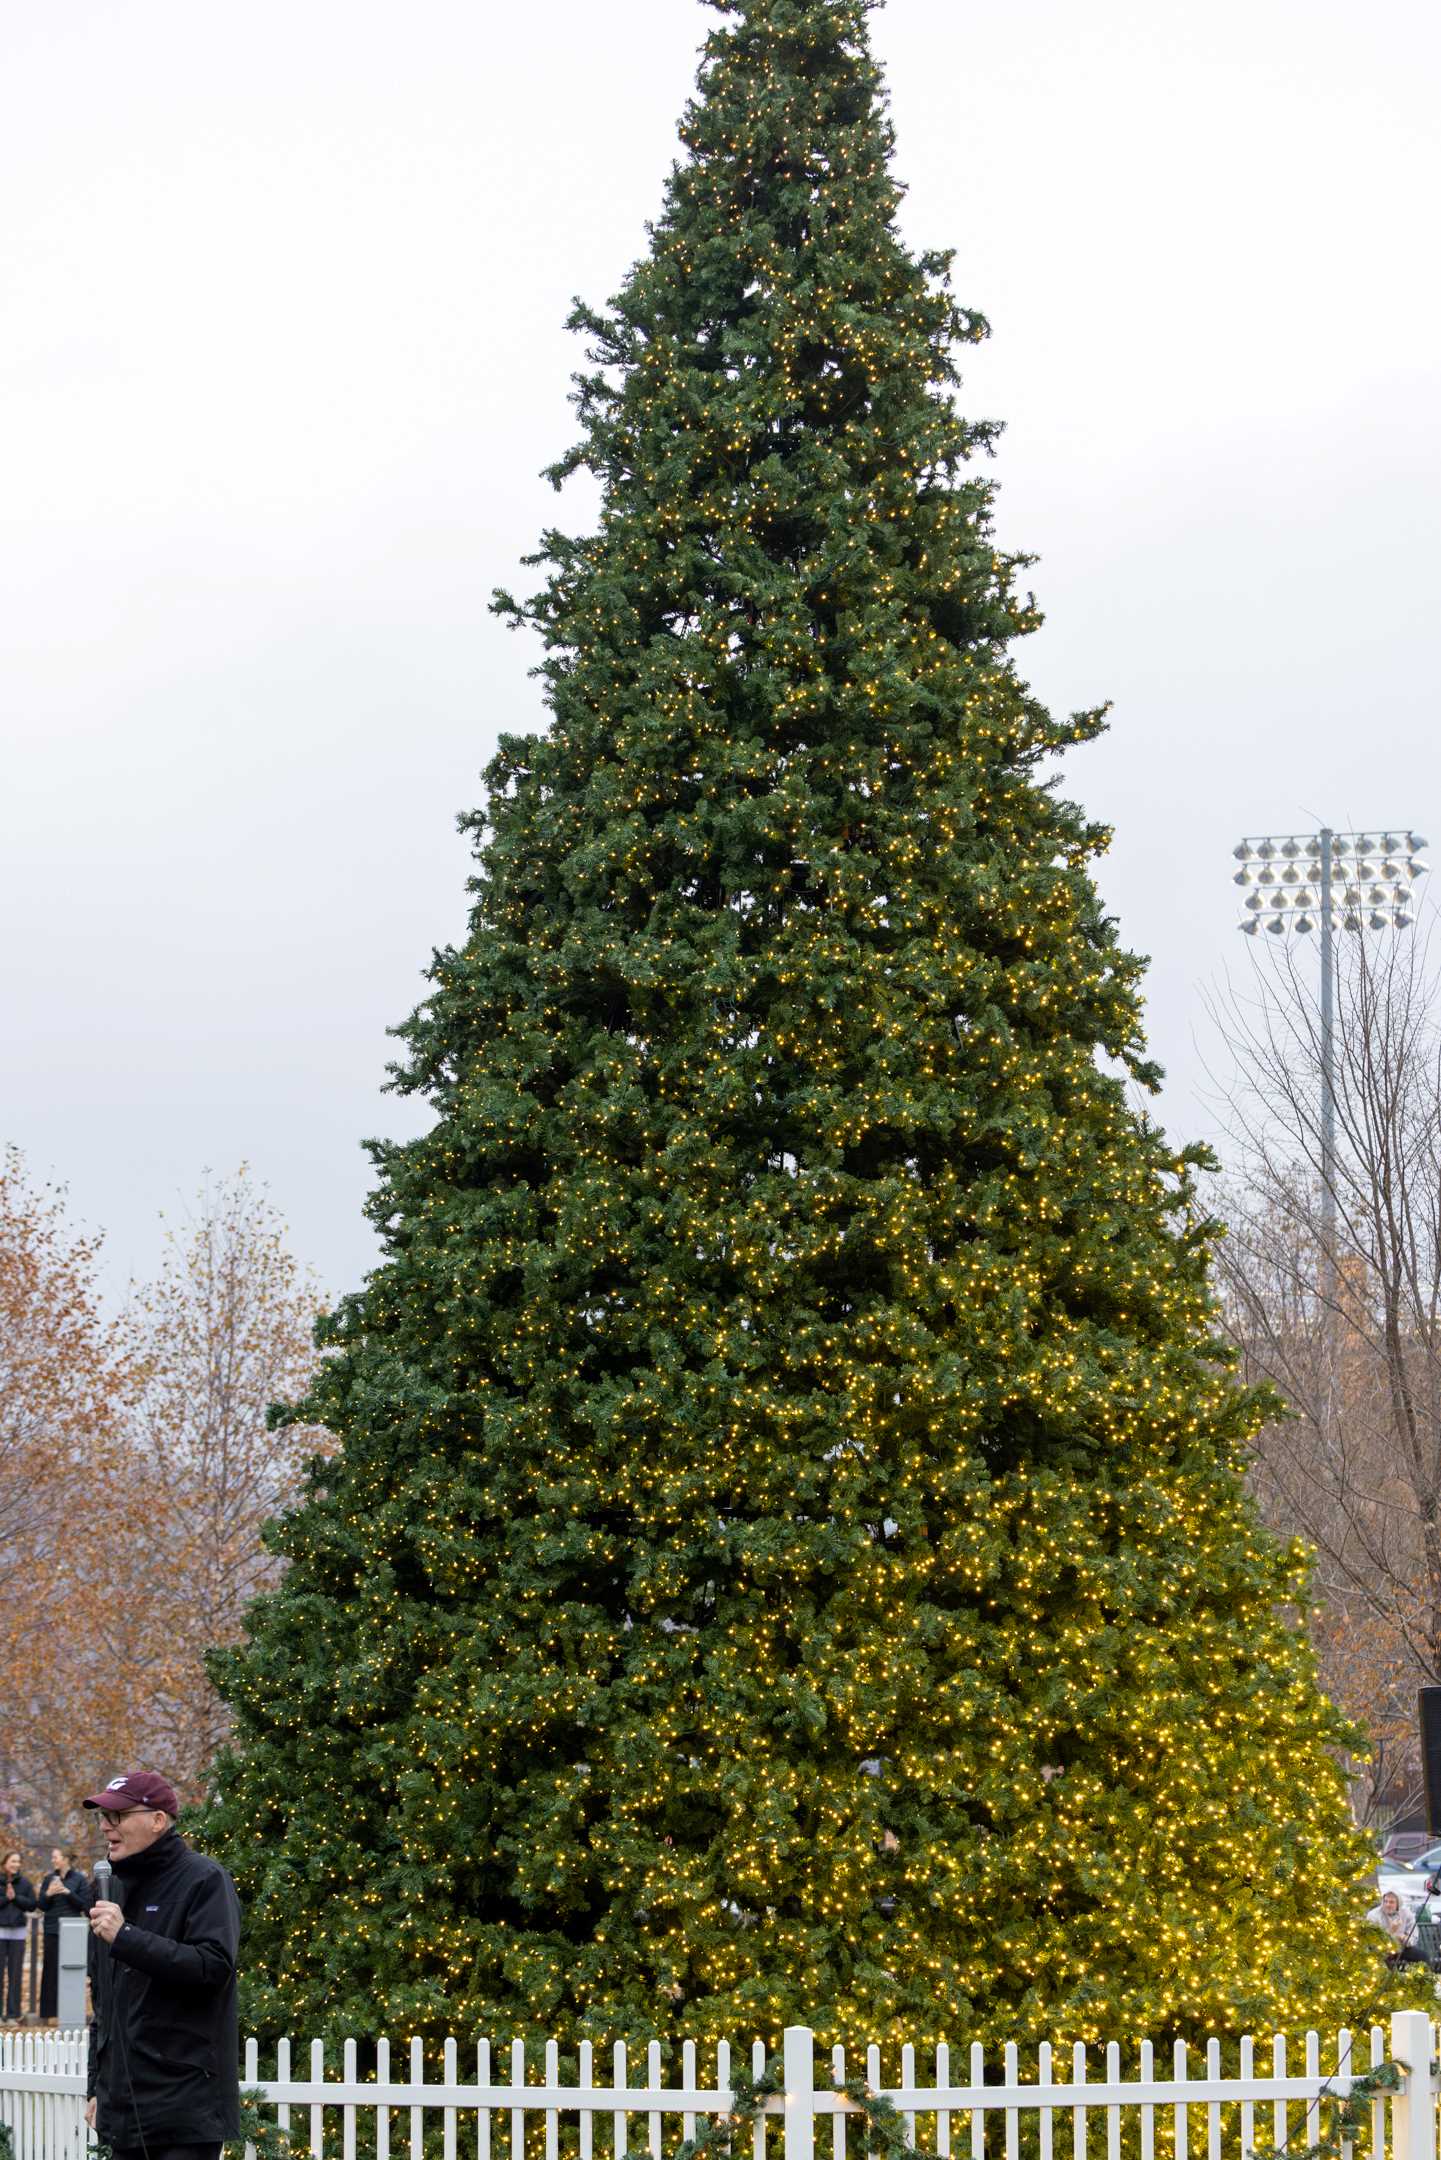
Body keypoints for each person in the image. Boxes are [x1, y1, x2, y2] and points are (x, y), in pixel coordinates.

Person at [82, 1771, 241, 2160]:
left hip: (185, 2109)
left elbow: (212, 1967)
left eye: (118, 1816)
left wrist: (127, 1937)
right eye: (102, 1816)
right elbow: (104, 2003)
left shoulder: (204, 1879)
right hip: (124, 2111)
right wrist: (96, 2087)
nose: (106, 1826)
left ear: (157, 1820)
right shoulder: (108, 1890)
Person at [37, 1846, 89, 2019]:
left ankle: (70, 2013)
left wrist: (67, 1892)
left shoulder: (80, 1879)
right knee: (50, 1971)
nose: (53, 1860)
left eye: (55, 1857)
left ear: (65, 1859)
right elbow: (42, 1905)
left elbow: (84, 1905)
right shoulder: (48, 1879)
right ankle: (48, 2014)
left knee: (71, 1970)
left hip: (73, 1932)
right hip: (52, 1930)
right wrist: (49, 1893)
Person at [0, 1850, 36, 2021]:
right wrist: (7, 1898)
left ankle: (13, 2015)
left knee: (15, 1976)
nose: (15, 1864)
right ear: (4, 1862)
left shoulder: (25, 1884)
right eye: (12, 1861)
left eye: (18, 1862)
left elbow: (32, 1905)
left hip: (18, 1935)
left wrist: (16, 1898)